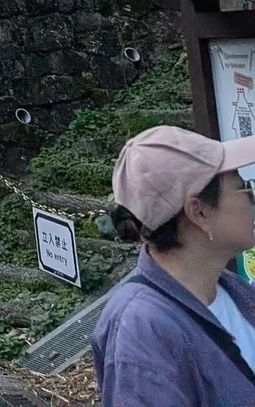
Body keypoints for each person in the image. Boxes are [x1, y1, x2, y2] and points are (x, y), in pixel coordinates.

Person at [92, 125, 255, 403]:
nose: (252, 199)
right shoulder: (142, 330)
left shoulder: (228, 288)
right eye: (243, 188)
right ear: (199, 212)